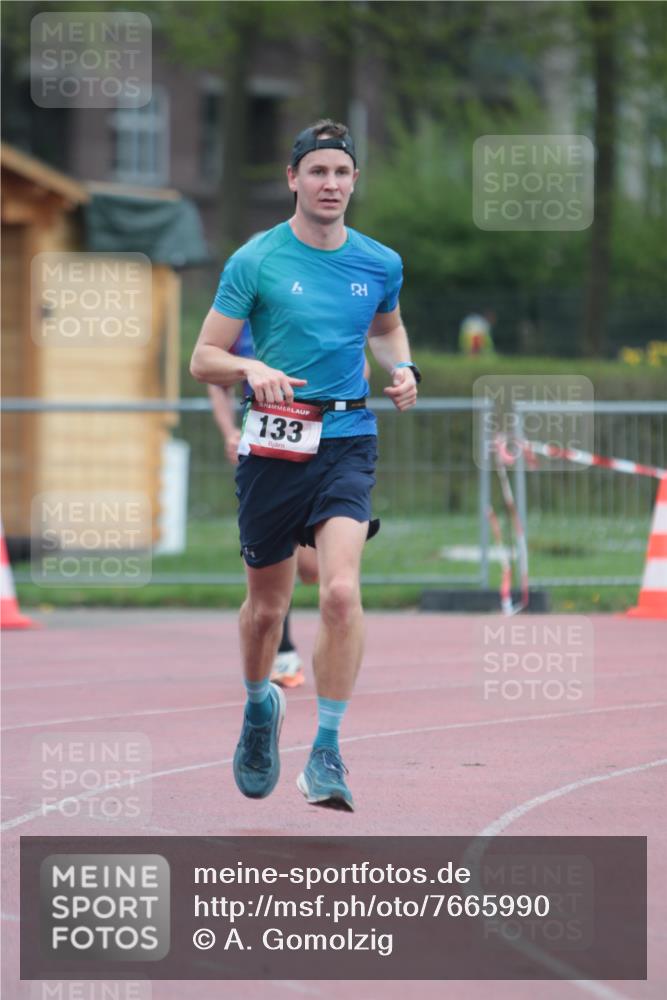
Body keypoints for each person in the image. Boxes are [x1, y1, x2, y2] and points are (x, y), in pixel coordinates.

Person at [191, 118, 420, 811]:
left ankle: (326, 751)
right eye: (316, 171)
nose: (330, 184)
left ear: (355, 182)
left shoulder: (379, 262)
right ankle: (260, 707)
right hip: (272, 445)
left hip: (347, 436)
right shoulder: (255, 260)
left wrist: (403, 366)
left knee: (341, 593)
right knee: (267, 610)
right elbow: (203, 358)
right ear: (292, 179)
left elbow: (385, 328)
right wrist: (250, 364)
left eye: (341, 172)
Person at [208, 320, 318, 689]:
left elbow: (358, 365)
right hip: (260, 448)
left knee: (311, 569)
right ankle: (282, 649)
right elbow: (215, 381)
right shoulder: (239, 319)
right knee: (270, 552)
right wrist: (229, 433)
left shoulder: (311, 306)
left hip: (316, 443)